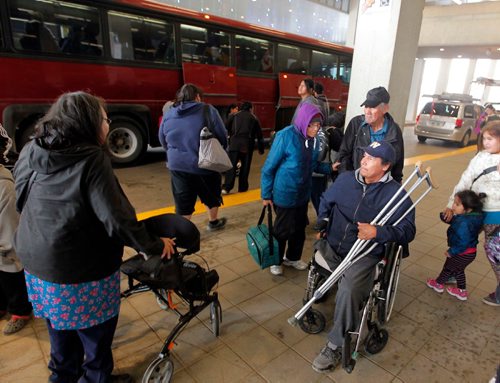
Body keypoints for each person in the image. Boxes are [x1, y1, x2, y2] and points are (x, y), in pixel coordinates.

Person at [13, 91, 175, 383]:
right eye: (104, 118)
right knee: (96, 335)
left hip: (36, 263)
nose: (108, 124)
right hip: (80, 270)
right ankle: (96, 378)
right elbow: (117, 220)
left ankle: (63, 377)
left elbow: (20, 196)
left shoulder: (30, 149)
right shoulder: (92, 159)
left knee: (60, 328)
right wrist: (153, 245)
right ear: (86, 123)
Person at [312, 141, 415, 373]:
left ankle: (335, 344)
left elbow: (408, 231)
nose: (364, 161)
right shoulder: (347, 179)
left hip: (363, 254)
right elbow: (326, 200)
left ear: (386, 166)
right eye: (364, 155)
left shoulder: (396, 194)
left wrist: (378, 232)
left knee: (349, 289)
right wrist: (322, 220)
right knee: (318, 261)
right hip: (334, 245)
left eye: (372, 158)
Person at [261, 103, 333, 276]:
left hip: (302, 194)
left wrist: (331, 168)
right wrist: (266, 194)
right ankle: (276, 261)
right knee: (282, 229)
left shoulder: (312, 140)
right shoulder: (285, 136)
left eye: (318, 125)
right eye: (312, 124)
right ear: (303, 121)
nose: (316, 129)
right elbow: (269, 168)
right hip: (284, 193)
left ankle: (292, 257)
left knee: (299, 228)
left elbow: (313, 165)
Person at [441, 121, 500, 306]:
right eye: (484, 138)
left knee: (493, 252)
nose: (486, 142)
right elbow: (466, 179)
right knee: (461, 240)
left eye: (490, 138)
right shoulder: (480, 157)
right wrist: (452, 204)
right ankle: (452, 272)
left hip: (495, 214)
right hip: (472, 211)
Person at [159, 83, 228, 231]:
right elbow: (222, 135)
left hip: (177, 165)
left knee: (183, 199)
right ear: (197, 97)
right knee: (211, 193)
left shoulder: (169, 113)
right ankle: (213, 222)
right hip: (204, 163)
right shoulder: (207, 110)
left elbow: (162, 139)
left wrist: (173, 153)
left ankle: (182, 231)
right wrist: (222, 148)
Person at [0, 124, 32, 335]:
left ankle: (20, 310)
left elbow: (10, 228)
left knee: (9, 267)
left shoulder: (4, 185)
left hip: (6, 245)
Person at [335, 86, 404, 183]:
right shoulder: (356, 124)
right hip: (355, 182)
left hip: (380, 186)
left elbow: (397, 165)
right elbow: (343, 155)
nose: (367, 111)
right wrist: (349, 180)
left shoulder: (394, 131)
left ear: (385, 109)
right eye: (366, 106)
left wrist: (397, 184)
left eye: (372, 107)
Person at [427, 190, 485, 301]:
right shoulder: (473, 216)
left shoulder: (464, 222)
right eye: (454, 202)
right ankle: (461, 291)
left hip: (460, 252)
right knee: (459, 270)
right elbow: (456, 221)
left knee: (448, 268)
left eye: (457, 204)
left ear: (467, 208)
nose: (453, 206)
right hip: (470, 252)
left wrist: (452, 251)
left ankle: (438, 284)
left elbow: (463, 241)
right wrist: (444, 216)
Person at [222, 101, 264, 194]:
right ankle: (242, 188)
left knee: (231, 166)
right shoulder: (254, 118)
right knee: (245, 167)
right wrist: (261, 149)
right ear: (250, 109)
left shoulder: (233, 116)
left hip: (234, 144)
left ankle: (227, 187)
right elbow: (260, 136)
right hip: (246, 146)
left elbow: (225, 127)